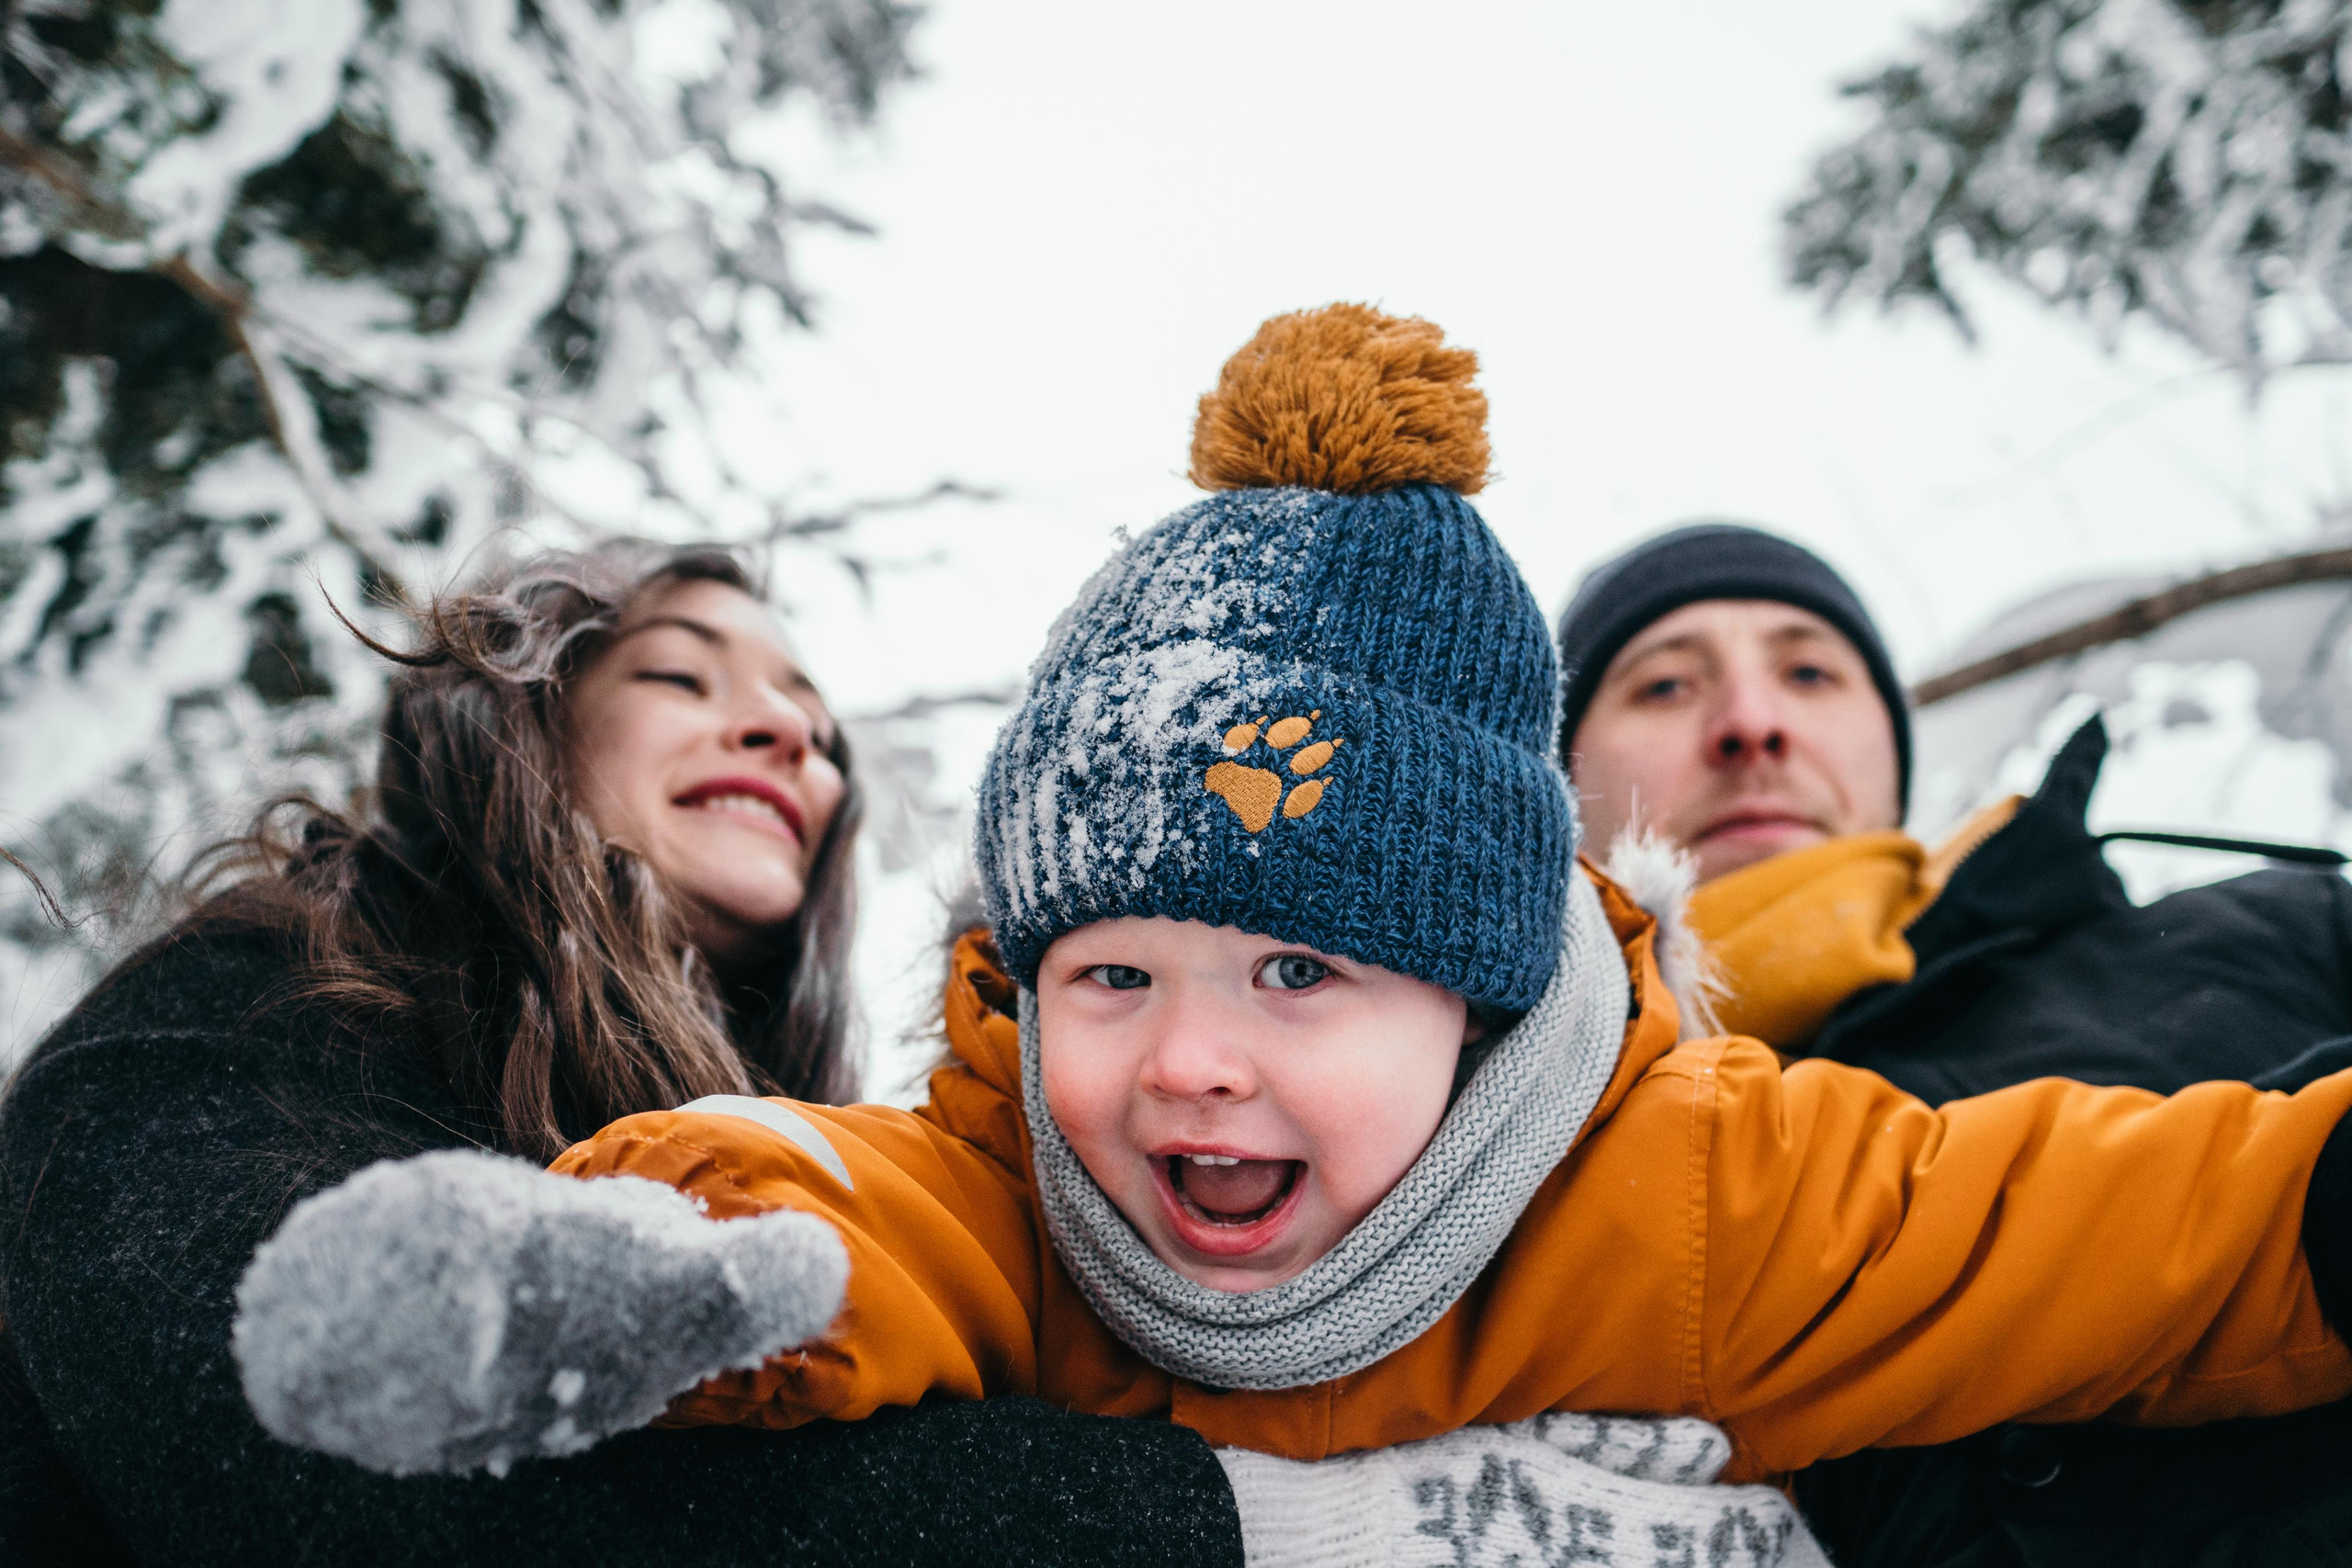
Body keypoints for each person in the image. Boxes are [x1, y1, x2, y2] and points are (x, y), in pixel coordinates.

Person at [241, 310, 2352, 1568]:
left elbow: (2090, 1230)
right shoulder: (1036, 1200)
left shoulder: (1697, 1193)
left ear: (1474, 980)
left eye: (1298, 967)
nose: (1180, 1061)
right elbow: (854, 1205)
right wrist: (648, 1273)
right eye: (1108, 970)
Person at [0, 539, 1251, 1565]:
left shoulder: (830, 1171)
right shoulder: (258, 999)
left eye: (816, 728)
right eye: (681, 677)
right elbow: (342, 1455)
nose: (786, 734)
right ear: (523, 715)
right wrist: (1237, 1521)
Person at [1556, 521, 2352, 1567]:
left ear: (1894, 752)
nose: (1751, 725)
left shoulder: (2282, 930)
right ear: (1554, 780)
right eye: (1662, 687)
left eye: (1807, 671)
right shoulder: (1493, 1175)